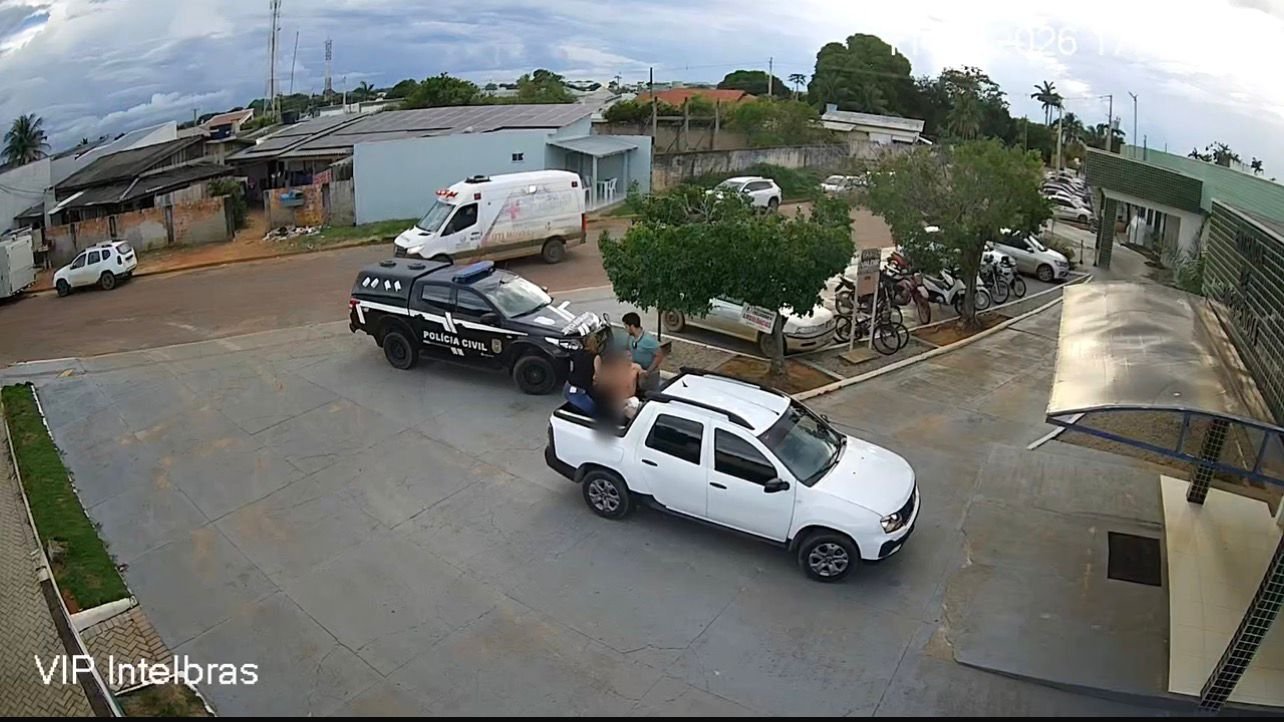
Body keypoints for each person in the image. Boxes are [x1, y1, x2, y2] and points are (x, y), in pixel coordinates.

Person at [593, 347, 642, 422]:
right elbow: (599, 383)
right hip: (617, 402)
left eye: (630, 356)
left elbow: (642, 380)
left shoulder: (636, 368)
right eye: (626, 357)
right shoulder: (613, 369)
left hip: (630, 400)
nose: (628, 359)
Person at [622, 312, 666, 394]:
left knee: (650, 396)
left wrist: (648, 372)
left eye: (626, 326)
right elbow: (628, 349)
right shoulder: (631, 338)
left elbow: (659, 356)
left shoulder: (648, 340)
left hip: (650, 375)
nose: (625, 329)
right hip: (637, 373)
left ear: (631, 326)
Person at [564, 332, 601, 416]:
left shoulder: (577, 353)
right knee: (595, 413)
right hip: (581, 391)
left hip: (568, 387)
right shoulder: (595, 357)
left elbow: (572, 368)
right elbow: (597, 377)